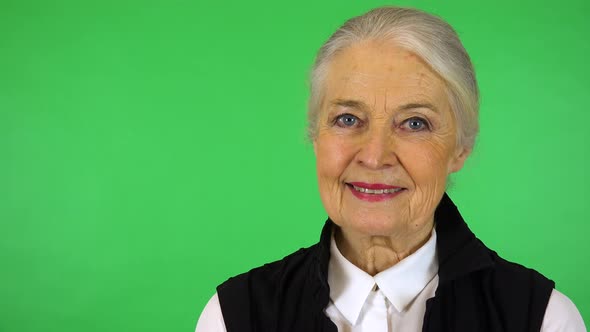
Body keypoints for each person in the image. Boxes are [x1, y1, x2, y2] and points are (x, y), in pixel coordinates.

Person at [195, 6, 586, 332]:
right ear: (316, 136)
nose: (375, 156)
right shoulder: (232, 317)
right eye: (348, 119)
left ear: (461, 147)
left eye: (415, 123)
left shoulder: (543, 319)